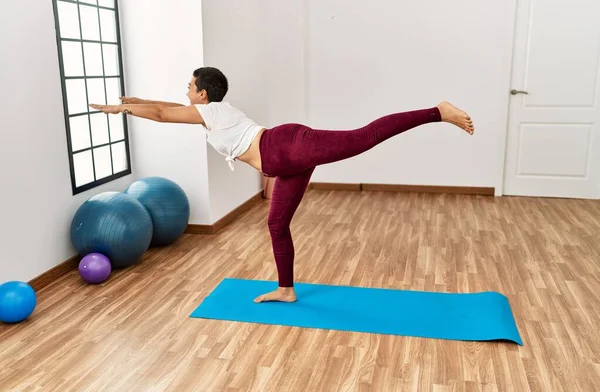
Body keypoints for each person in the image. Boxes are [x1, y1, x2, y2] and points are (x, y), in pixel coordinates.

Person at [90, 66, 475, 303]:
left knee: (363, 137)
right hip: (285, 159)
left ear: (203, 94)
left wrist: (121, 110)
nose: (185, 91)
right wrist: (137, 100)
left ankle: (437, 111)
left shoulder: (211, 112)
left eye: (189, 86)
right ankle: (286, 289)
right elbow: (163, 107)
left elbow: (161, 113)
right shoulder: (211, 111)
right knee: (276, 224)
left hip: (289, 147)